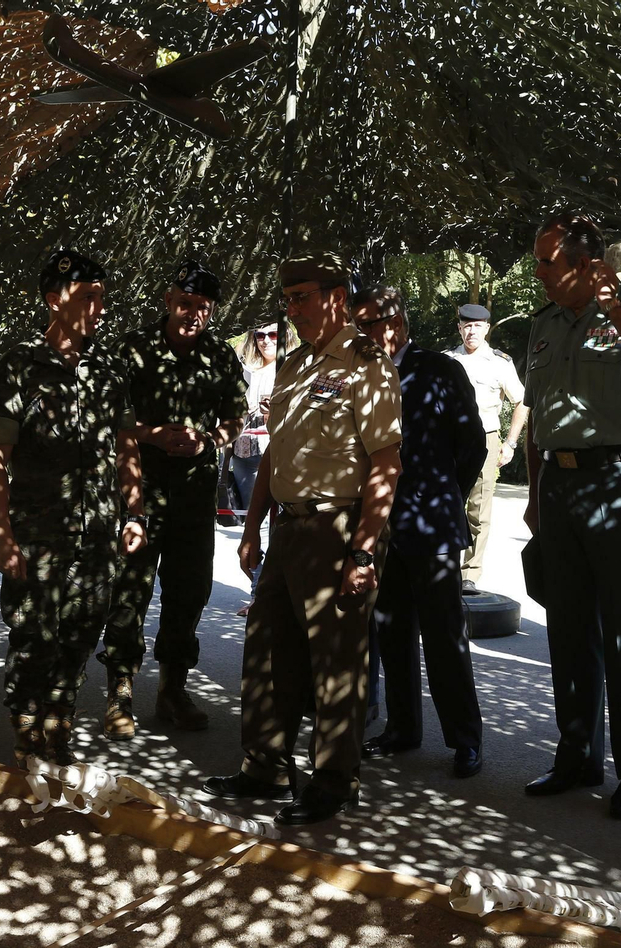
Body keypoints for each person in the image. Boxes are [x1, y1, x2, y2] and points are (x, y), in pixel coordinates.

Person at [201, 251, 403, 826]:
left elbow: (386, 464)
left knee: (335, 661)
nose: (292, 309)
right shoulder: (293, 367)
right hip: (287, 527)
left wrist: (364, 549)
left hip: (338, 528)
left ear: (337, 296)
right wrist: (251, 526)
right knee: (267, 652)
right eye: (287, 299)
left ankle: (334, 781)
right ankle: (263, 765)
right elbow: (272, 458)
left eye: (303, 297)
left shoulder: (368, 364)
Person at [520, 213, 621, 820]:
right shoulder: (542, 325)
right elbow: (539, 419)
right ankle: (576, 755)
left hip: (619, 479)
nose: (538, 273)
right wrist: (537, 496)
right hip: (560, 484)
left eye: (549, 262)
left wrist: (615, 307)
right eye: (538, 261)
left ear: (588, 265)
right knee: (567, 627)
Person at [0, 248, 148, 767]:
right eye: (88, 297)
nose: (99, 307)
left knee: (79, 634)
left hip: (98, 535)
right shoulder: (18, 366)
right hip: (39, 535)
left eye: (103, 298)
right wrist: (2, 535)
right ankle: (26, 735)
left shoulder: (108, 368)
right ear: (56, 300)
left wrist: (134, 514)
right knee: (33, 636)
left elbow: (127, 447)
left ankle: (59, 729)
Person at [100, 260, 247, 739]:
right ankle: (120, 692)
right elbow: (111, 420)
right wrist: (155, 436)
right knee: (129, 593)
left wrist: (208, 439)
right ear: (167, 300)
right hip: (139, 493)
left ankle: (172, 689)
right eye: (185, 304)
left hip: (194, 500)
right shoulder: (132, 350)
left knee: (189, 595)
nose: (193, 315)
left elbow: (234, 416)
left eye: (203, 308)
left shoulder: (222, 357)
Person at [353, 284, 488, 777]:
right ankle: (402, 727)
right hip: (380, 529)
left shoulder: (440, 370)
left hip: (430, 523)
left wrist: (442, 493)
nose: (366, 333)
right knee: (391, 633)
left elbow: (471, 445)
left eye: (373, 323)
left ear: (399, 322)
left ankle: (464, 740)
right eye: (359, 324)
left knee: (444, 637)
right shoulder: (360, 374)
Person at [445, 303, 528, 591]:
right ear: (459, 328)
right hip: (449, 441)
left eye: (477, 326)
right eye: (466, 325)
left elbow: (522, 401)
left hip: (486, 438)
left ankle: (470, 574)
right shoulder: (446, 360)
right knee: (446, 502)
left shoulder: (500, 363)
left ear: (486, 328)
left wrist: (510, 442)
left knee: (479, 509)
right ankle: (445, 565)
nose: (471, 331)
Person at [229, 319, 293, 616]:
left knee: (267, 525)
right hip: (244, 450)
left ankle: (260, 595)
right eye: (260, 335)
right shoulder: (246, 369)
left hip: (274, 452)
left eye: (273, 334)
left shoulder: (290, 367)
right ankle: (260, 590)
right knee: (251, 523)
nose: (266, 340)